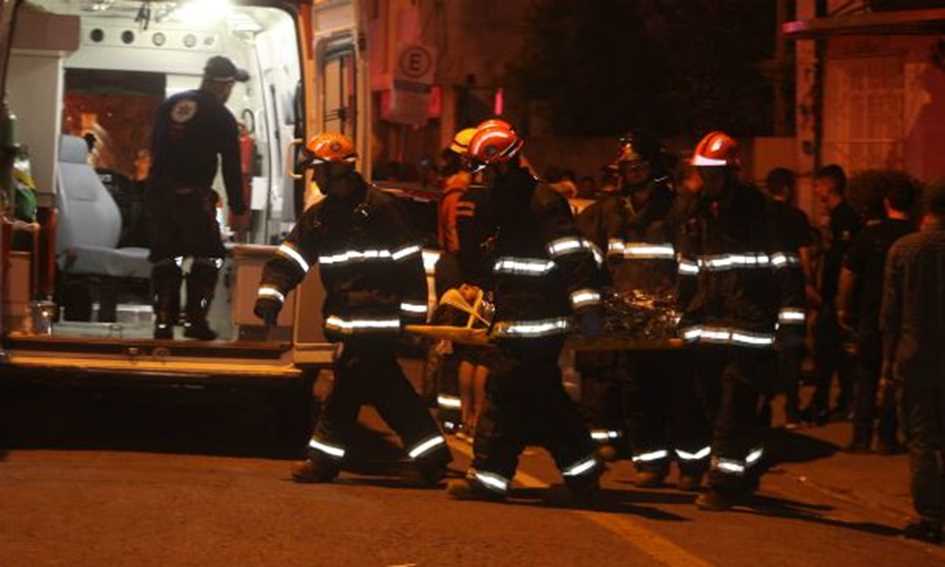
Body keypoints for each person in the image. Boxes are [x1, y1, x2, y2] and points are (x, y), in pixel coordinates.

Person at [254, 132, 452, 486]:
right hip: (347, 321)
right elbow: (290, 258)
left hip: (378, 322)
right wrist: (271, 295)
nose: (314, 178)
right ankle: (433, 459)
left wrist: (413, 316)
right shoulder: (320, 218)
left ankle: (322, 462)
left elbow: (408, 263)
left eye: (317, 170)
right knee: (389, 392)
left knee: (346, 393)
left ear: (335, 170)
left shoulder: (381, 209)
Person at [446, 119, 605, 504]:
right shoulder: (498, 203)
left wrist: (586, 305)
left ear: (503, 163)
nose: (476, 179)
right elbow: (488, 263)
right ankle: (582, 475)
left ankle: (490, 477)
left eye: (482, 170)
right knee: (538, 396)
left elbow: (572, 256)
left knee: (506, 394)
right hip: (514, 314)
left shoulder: (543, 201)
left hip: (539, 318)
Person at [676, 131, 805, 510]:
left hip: (750, 330)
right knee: (714, 407)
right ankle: (745, 469)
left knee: (733, 408)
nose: (708, 179)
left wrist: (792, 330)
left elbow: (788, 271)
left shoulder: (761, 213)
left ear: (732, 172)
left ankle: (721, 485)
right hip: (707, 328)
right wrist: (680, 313)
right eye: (703, 172)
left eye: (714, 172)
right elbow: (688, 269)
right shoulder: (696, 212)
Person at [575, 130, 710, 490]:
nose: (626, 175)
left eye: (634, 168)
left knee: (681, 395)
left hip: (671, 320)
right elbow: (589, 262)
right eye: (624, 168)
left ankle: (693, 466)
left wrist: (681, 308)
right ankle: (650, 463)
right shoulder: (606, 213)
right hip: (628, 323)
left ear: (651, 168)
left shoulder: (679, 210)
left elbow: (692, 265)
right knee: (637, 393)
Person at [147, 55, 249, 340]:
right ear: (224, 86)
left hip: (159, 195)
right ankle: (195, 320)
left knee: (166, 258)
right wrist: (239, 207)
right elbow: (231, 167)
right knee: (210, 256)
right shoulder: (222, 116)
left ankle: (163, 323)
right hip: (193, 198)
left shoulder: (170, 105)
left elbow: (154, 147)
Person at [880, 180, 945, 544]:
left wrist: (887, 365)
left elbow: (890, 315)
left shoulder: (904, 250)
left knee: (921, 438)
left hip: (915, 356)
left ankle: (930, 516)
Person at [838, 171, 918, 453]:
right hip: (908, 322)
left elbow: (849, 276)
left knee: (866, 377)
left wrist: (843, 310)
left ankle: (860, 436)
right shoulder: (916, 239)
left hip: (871, 317)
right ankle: (887, 436)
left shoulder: (869, 236)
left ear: (886, 203)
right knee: (896, 379)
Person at [435, 127, 492, 440]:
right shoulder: (464, 191)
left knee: (459, 348)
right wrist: (473, 280)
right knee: (475, 349)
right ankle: (470, 419)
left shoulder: (452, 187)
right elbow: (461, 240)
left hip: (457, 269)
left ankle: (458, 417)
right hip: (465, 271)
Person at [803, 164, 861, 424]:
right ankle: (833, 401)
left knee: (829, 352)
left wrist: (837, 298)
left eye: (817, 185)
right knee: (831, 352)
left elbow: (843, 261)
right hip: (829, 296)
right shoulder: (835, 217)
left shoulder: (844, 217)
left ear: (830, 185)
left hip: (836, 298)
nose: (815, 191)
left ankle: (829, 402)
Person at [763, 167, 815, 428]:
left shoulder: (758, 214)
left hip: (763, 288)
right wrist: (809, 285)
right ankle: (792, 412)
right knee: (791, 350)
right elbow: (804, 255)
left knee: (761, 348)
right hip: (791, 291)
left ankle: (760, 409)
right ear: (786, 189)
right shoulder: (796, 216)